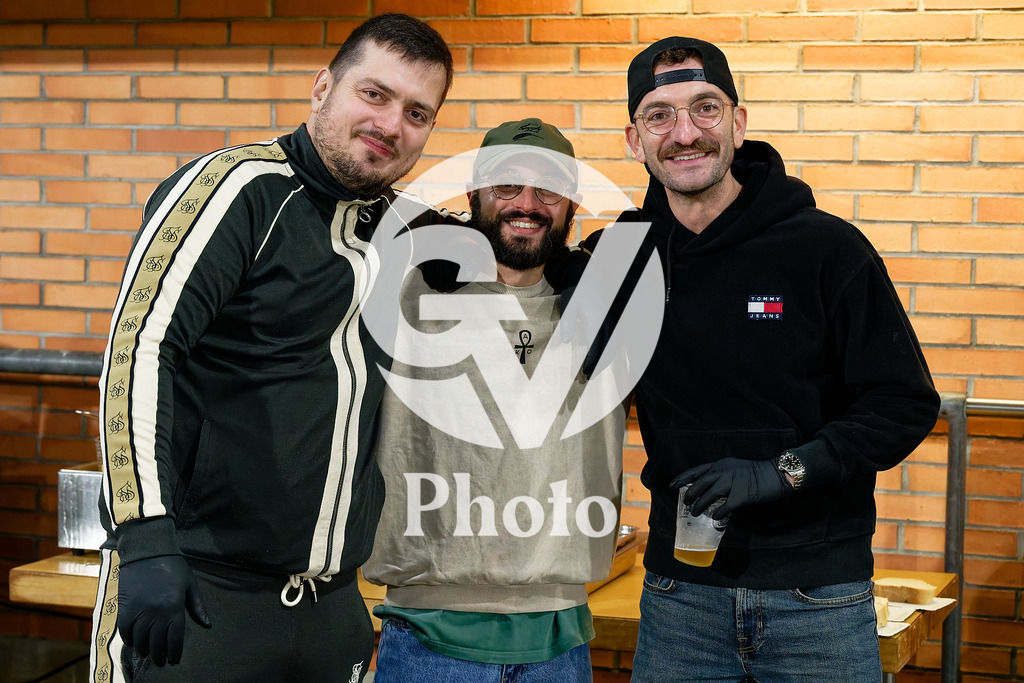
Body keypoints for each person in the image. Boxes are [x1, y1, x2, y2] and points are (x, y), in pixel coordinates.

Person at [88, 14, 453, 683]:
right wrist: (143, 537)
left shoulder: (406, 232)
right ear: (322, 89)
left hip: (331, 605)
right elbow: (140, 350)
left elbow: (517, 261)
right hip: (199, 593)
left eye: (417, 112)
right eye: (373, 94)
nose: (391, 123)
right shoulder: (237, 190)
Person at [575, 37, 940, 681]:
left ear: (738, 124)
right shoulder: (616, 260)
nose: (684, 133)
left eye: (705, 109)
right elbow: (527, 325)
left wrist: (786, 471)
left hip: (818, 600)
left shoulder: (827, 249)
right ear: (635, 140)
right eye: (659, 116)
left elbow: (903, 402)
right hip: (677, 597)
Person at [361, 118, 628, 682]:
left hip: (561, 637)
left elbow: (692, 215)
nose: (526, 203)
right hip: (430, 636)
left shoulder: (607, 301)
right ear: (474, 194)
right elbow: (349, 184)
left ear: (572, 203)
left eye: (548, 189)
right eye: (506, 185)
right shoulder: (408, 287)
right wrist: (423, 222)